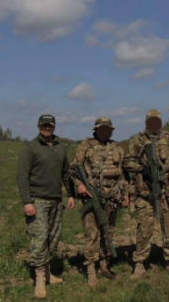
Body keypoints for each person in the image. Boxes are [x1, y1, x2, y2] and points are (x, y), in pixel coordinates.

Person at [17, 114, 75, 299]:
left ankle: (48, 272)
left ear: (54, 126)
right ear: (38, 126)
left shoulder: (60, 148)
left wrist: (71, 193)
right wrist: (27, 201)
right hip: (37, 201)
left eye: (50, 125)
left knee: (53, 238)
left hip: (56, 201)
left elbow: (66, 173)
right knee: (40, 240)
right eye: (44, 125)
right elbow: (22, 177)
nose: (47, 128)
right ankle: (40, 280)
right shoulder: (30, 148)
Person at [123, 109, 169, 280]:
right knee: (144, 229)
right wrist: (142, 169)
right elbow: (127, 161)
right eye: (151, 121)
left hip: (166, 191)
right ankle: (140, 263)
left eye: (157, 121)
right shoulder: (138, 140)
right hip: (145, 192)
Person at [70, 117, 129, 287]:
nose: (105, 131)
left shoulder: (117, 147)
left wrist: (125, 194)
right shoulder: (85, 147)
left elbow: (122, 174)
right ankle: (91, 270)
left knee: (108, 232)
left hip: (113, 197)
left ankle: (104, 266)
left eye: (108, 129)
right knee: (92, 233)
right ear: (96, 129)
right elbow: (72, 170)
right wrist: (80, 185)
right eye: (102, 128)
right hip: (92, 195)